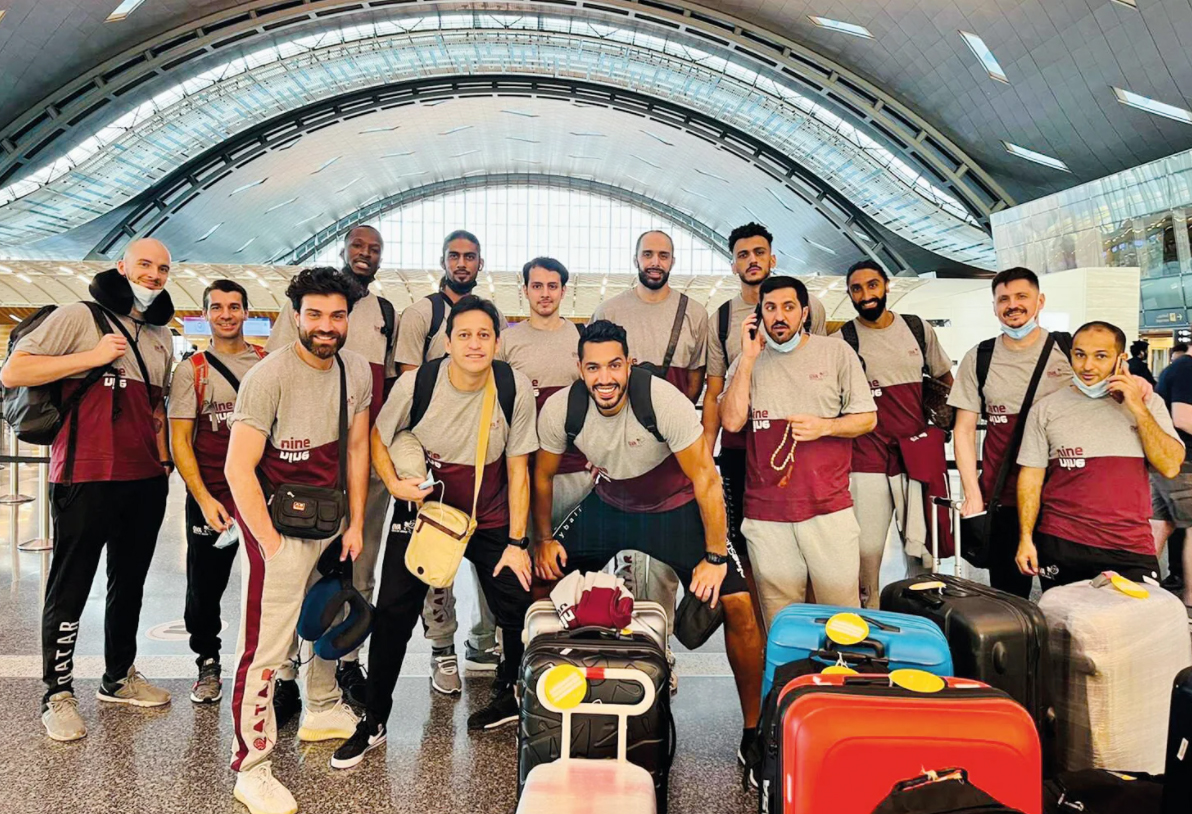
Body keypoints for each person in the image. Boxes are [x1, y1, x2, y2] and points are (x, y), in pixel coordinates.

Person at [534, 319, 764, 779]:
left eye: (615, 365)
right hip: (610, 503)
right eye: (594, 367)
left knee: (739, 605)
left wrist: (716, 557)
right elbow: (541, 476)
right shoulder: (562, 408)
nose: (605, 377)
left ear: (629, 364)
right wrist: (542, 540)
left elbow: (706, 479)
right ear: (579, 369)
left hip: (673, 510)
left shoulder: (662, 400)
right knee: (542, 584)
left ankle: (754, 731)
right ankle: (540, 704)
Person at [336, 295, 537, 769]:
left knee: (516, 604)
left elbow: (519, 469)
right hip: (427, 514)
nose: (474, 344)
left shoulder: (512, 387)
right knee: (394, 614)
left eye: (484, 335)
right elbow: (377, 439)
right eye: (464, 335)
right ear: (447, 342)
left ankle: (509, 693)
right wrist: (393, 482)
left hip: (488, 515)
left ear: (496, 340)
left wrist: (517, 543)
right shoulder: (417, 382)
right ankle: (375, 719)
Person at [2, 238, 175, 742]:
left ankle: (118, 677)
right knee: (71, 585)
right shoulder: (82, 316)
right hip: (84, 473)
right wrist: (91, 357)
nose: (153, 274)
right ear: (121, 267)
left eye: (163, 268)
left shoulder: (161, 334)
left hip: (143, 479)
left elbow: (156, 409)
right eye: (144, 264)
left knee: (130, 584)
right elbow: (13, 371)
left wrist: (163, 461)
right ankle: (56, 693)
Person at [225, 267, 373, 814]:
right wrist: (269, 544)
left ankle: (321, 706)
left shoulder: (354, 370)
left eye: (337, 316)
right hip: (278, 527)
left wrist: (356, 522)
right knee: (265, 649)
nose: (326, 326)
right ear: (295, 315)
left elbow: (356, 451)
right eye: (314, 314)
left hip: (331, 520)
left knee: (329, 617)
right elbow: (238, 468)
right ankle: (251, 763)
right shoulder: (267, 376)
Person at [266, 225, 397, 710]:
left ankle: (346, 663)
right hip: (303, 467)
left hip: (360, 468)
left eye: (374, 249)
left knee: (357, 570)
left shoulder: (384, 313)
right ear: (342, 249)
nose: (365, 254)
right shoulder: (298, 307)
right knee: (294, 574)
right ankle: (282, 674)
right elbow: (283, 369)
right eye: (358, 246)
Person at [720, 276, 877, 620]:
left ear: (804, 312)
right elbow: (731, 422)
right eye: (770, 308)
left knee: (843, 618)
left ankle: (842, 676)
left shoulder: (836, 352)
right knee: (782, 621)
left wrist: (827, 426)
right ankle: (790, 676)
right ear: (758, 314)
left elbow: (867, 418)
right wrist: (747, 360)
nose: (779, 316)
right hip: (766, 515)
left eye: (789, 307)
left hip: (828, 510)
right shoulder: (747, 361)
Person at [392, 229, 505, 689]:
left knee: (489, 566)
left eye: (471, 257)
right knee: (437, 566)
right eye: (455, 256)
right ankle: (441, 650)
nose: (462, 264)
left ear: (481, 263)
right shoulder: (421, 314)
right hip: (434, 466)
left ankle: (486, 641)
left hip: (482, 465)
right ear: (442, 260)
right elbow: (410, 393)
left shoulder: (488, 317)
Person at [590, 230, 710, 661]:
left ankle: (658, 650)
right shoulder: (610, 309)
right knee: (623, 558)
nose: (655, 261)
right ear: (635, 258)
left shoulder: (694, 313)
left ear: (673, 261)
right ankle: (628, 643)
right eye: (648, 254)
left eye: (663, 254)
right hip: (620, 452)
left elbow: (696, 383)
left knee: (660, 564)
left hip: (673, 455)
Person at [703, 222, 828, 625]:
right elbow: (714, 391)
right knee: (751, 547)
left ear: (772, 258)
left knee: (815, 547)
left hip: (806, 451)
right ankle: (765, 635)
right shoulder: (722, 319)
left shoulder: (809, 308)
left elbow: (821, 369)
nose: (752, 260)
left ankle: (814, 633)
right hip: (745, 452)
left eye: (759, 253)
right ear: (734, 264)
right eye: (743, 254)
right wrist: (706, 454)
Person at [1016, 321, 1184, 590]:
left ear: (1121, 360)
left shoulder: (1149, 403)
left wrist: (1138, 409)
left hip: (1129, 546)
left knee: (1135, 628)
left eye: (1101, 356)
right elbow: (1031, 478)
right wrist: (1025, 537)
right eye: (1080, 354)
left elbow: (1171, 466)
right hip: (1061, 542)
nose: (1087, 366)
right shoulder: (1045, 409)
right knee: (1066, 630)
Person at [947, 267, 1075, 598]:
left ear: (1039, 301)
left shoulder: (1069, 350)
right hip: (1002, 497)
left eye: (1021, 297)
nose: (1012, 305)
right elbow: (963, 431)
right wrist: (972, 491)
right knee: (1009, 596)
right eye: (1003, 299)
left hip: (1060, 499)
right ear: (994, 306)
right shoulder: (980, 358)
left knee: (1065, 595)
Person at [169, 279, 266, 704]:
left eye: (234, 306)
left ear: (247, 312)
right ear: (205, 314)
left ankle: (272, 666)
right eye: (217, 307)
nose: (226, 314)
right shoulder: (192, 370)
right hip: (212, 497)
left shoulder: (267, 363)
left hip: (261, 496)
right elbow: (179, 441)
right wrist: (203, 498)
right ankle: (207, 660)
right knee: (205, 585)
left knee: (270, 583)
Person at [838, 260, 953, 606]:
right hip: (866, 461)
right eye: (857, 289)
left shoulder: (917, 330)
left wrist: (936, 428)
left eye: (872, 286)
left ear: (886, 286)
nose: (866, 295)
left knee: (923, 557)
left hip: (916, 458)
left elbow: (945, 379)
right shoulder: (843, 340)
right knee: (865, 554)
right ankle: (868, 627)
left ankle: (920, 626)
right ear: (850, 295)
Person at [497, 257, 594, 536]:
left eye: (553, 286)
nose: (545, 294)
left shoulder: (582, 339)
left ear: (564, 291)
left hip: (574, 471)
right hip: (520, 471)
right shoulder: (506, 343)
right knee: (521, 556)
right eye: (537, 286)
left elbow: (601, 401)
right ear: (525, 290)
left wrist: (603, 454)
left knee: (570, 561)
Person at [1152, 341, 1192, 597]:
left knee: (1159, 527)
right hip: (1183, 460)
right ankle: (1190, 600)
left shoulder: (1176, 368)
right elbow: (1183, 418)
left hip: (1164, 460)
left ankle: (1134, 594)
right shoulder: (1187, 369)